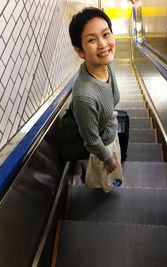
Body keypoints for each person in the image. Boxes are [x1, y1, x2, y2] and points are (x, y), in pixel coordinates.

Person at [69, 7, 123, 191]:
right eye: (91, 40)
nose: (103, 44)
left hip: (110, 134)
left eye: (106, 34)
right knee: (103, 180)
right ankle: (101, 190)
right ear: (80, 51)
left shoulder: (107, 63)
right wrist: (107, 160)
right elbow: (91, 141)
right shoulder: (85, 97)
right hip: (100, 150)